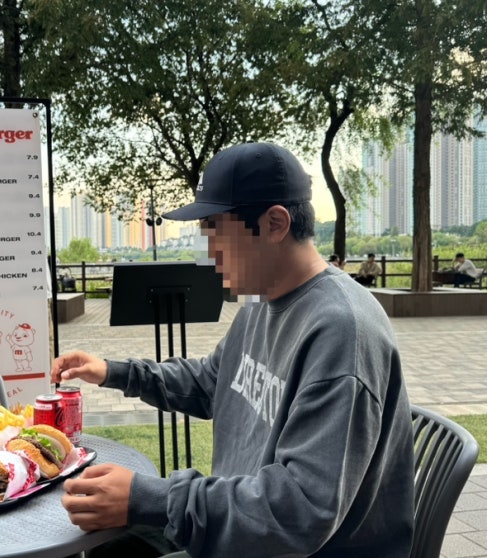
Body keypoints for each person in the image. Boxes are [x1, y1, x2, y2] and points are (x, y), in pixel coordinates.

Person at [51, 142, 414, 557]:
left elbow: (301, 509)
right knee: (107, 547)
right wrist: (113, 371)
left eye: (216, 233)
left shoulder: (341, 330)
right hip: (243, 527)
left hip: (291, 547)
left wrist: (151, 498)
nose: (210, 254)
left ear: (274, 224)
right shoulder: (262, 302)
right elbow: (211, 382)